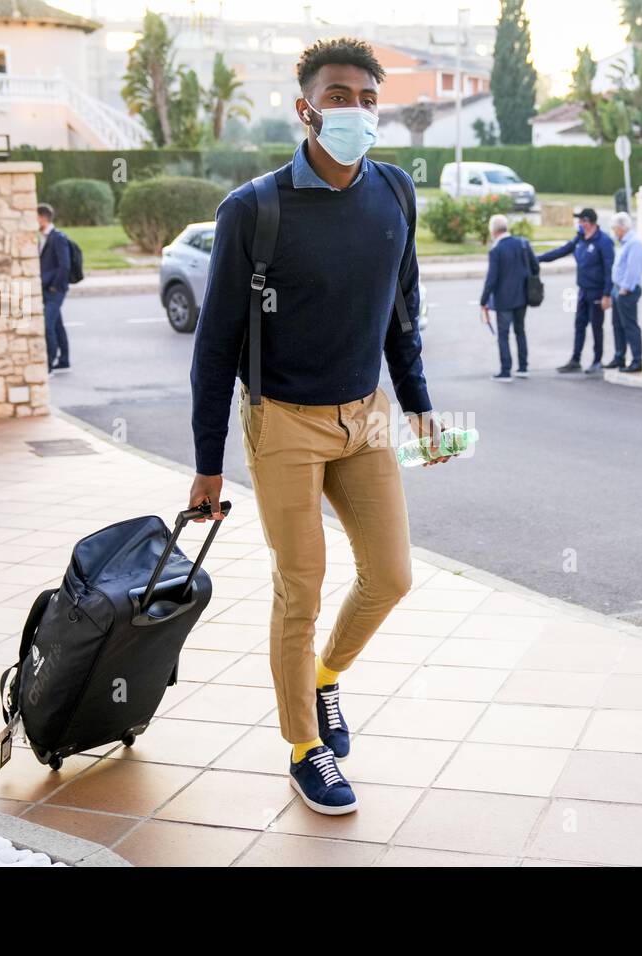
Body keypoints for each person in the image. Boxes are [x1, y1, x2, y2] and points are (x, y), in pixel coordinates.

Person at [187, 37, 452, 816]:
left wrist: (420, 408)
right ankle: (305, 748)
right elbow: (214, 349)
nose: (358, 110)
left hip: (363, 416)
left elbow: (403, 319)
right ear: (306, 108)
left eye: (370, 98)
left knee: (391, 576)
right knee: (299, 588)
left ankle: (325, 676)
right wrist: (208, 465)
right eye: (340, 96)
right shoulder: (255, 209)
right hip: (284, 422)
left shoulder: (396, 194)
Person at [537, 207, 614, 374]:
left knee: (596, 326)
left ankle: (597, 360)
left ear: (588, 222)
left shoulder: (603, 241)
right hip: (583, 290)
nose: (579, 223)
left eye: (581, 221)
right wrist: (538, 258)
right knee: (579, 325)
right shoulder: (580, 239)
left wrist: (607, 294)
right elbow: (561, 251)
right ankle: (575, 359)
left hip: (597, 291)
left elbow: (609, 269)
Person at [479, 213, 538, 381]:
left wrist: (483, 301)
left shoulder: (496, 250)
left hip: (504, 300)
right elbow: (535, 267)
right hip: (523, 297)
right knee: (520, 331)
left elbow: (492, 279)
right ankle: (523, 367)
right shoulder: (523, 243)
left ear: (493, 231)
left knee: (503, 335)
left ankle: (506, 371)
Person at [609, 212, 642, 373]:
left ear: (622, 228)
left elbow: (633, 269)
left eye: (615, 228)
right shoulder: (624, 242)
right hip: (617, 288)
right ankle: (619, 357)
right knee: (617, 325)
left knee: (630, 326)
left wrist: (625, 289)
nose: (614, 231)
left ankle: (637, 360)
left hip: (627, 291)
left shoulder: (634, 243)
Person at [37, 203, 71, 373]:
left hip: (54, 290)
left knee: (47, 325)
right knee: (57, 325)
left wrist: (54, 286)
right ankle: (64, 360)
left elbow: (65, 265)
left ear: (42, 218)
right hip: (47, 288)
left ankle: (49, 363)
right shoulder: (44, 237)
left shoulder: (57, 238)